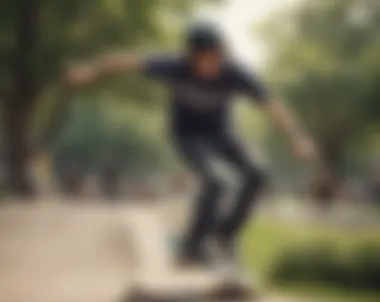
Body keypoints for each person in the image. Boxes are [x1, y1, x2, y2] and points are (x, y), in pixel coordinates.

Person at [66, 23, 319, 288]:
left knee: (258, 173)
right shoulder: (174, 66)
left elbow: (272, 104)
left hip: (224, 136)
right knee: (218, 180)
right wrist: (90, 70)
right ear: (191, 57)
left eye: (216, 60)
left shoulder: (235, 72)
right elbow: (124, 62)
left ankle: (224, 236)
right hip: (189, 138)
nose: (211, 67)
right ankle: (193, 247)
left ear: (224, 55)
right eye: (204, 61)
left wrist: (297, 137)